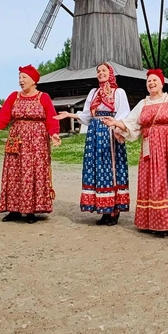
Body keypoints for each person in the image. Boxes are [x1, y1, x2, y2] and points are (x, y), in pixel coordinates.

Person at [102, 69, 168, 237]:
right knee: (152, 181)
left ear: (161, 83)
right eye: (149, 81)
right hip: (149, 148)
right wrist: (117, 122)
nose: (151, 83)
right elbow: (132, 124)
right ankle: (157, 222)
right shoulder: (143, 103)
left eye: (154, 80)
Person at [0, 65, 61, 224]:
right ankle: (14, 209)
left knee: (32, 173)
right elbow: (2, 117)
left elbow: (51, 118)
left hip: (37, 142)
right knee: (14, 173)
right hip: (17, 139)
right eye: (20, 78)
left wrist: (54, 133)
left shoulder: (43, 97)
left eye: (24, 78)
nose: (21, 81)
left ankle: (31, 211)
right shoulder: (14, 97)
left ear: (34, 80)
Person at [54, 63, 130, 226]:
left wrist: (118, 127)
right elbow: (87, 116)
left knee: (111, 168)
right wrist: (70, 114)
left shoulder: (119, 92)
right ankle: (103, 209)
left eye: (103, 70)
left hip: (110, 131)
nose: (100, 73)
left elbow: (124, 113)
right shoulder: (93, 93)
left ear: (110, 73)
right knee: (97, 169)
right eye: (98, 71)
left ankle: (114, 210)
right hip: (95, 132)